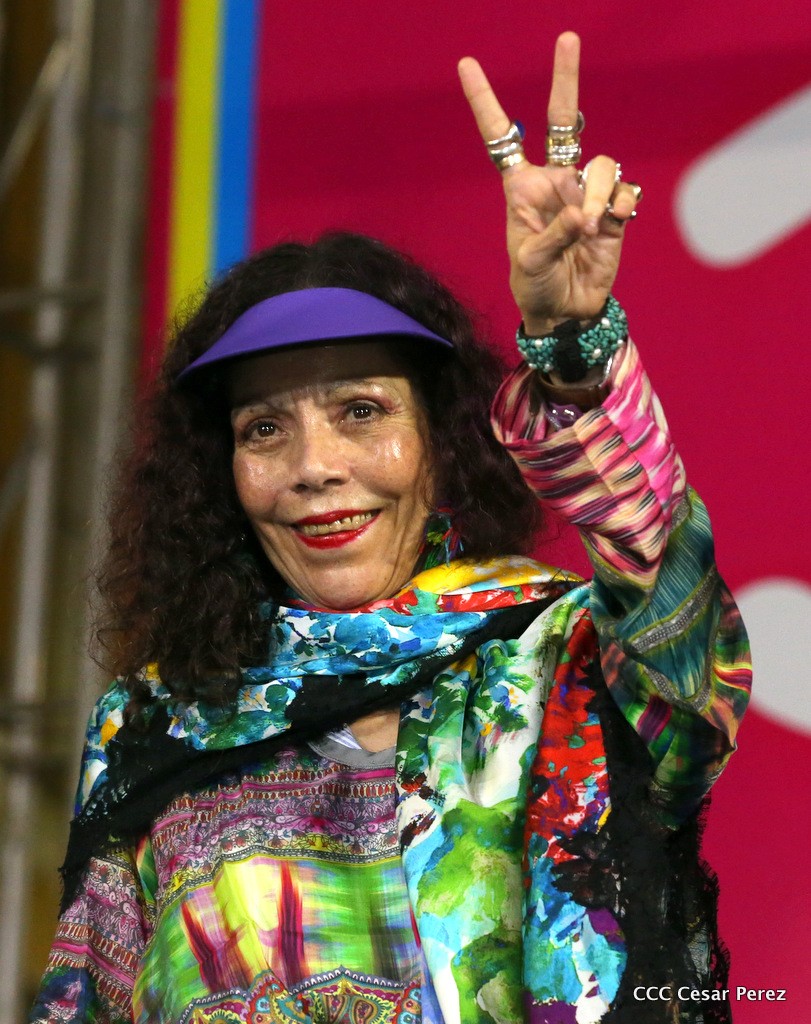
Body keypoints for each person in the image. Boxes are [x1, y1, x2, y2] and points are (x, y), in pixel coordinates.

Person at [30, 32, 750, 1024]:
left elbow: (686, 642)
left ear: (440, 442)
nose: (314, 465)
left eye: (361, 411)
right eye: (264, 428)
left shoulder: (559, 656)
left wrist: (572, 350)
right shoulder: (157, 722)